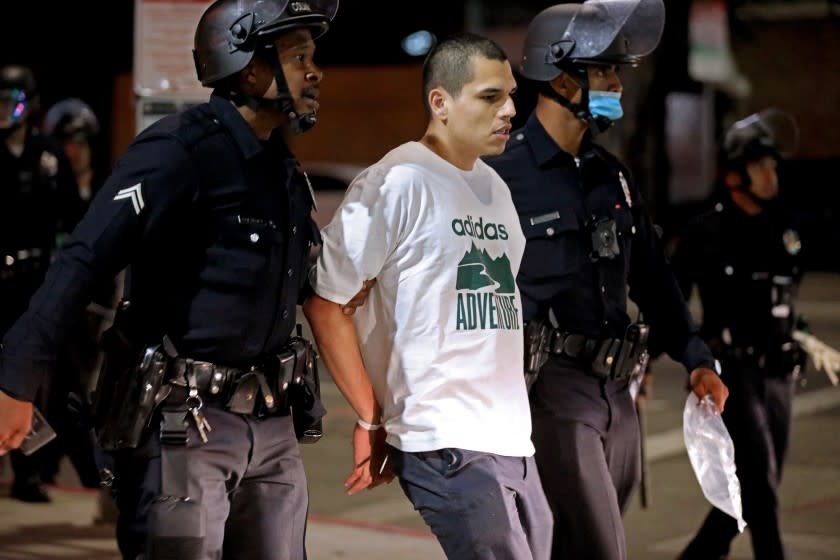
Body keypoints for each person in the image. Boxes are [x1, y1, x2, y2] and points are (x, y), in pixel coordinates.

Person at [0, 0, 371, 558]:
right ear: (248, 68)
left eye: (312, 58)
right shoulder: (178, 151)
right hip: (187, 429)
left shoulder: (283, 171)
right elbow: (83, 260)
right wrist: (16, 379)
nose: (314, 72)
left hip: (273, 430)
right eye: (298, 58)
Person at [481, 1, 730, 559]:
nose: (617, 84)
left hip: (618, 395)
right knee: (601, 549)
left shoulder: (609, 174)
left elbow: (652, 276)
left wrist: (695, 355)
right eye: (606, 72)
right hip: (551, 394)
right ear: (563, 74)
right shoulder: (498, 175)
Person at [303, 32, 554, 560]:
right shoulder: (398, 181)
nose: (510, 109)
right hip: (444, 439)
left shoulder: (496, 190)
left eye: (510, 94)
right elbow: (327, 303)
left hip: (512, 438)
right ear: (440, 101)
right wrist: (372, 417)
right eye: (490, 97)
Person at [672, 109, 803, 560]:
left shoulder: (783, 228)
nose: (770, 175)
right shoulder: (706, 231)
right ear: (733, 176)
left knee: (757, 485)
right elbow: (671, 304)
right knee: (760, 488)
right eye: (759, 166)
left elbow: (785, 299)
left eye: (772, 165)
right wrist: (648, 368)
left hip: (779, 374)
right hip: (734, 372)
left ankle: (698, 555)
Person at [0, 63, 84, 503]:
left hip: (35, 287)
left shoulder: (49, 156)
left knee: (33, 379)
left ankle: (28, 472)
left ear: (28, 107)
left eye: (10, 101)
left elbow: (74, 222)